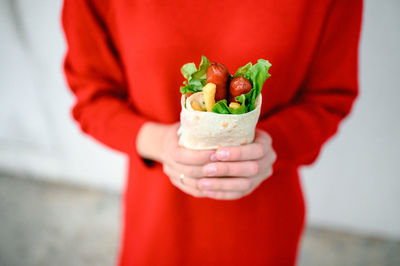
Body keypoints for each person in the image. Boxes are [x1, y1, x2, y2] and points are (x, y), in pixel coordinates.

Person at [62, 0, 362, 265]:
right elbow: (92, 99)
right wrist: (162, 144)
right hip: (157, 219)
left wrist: (269, 144)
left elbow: (329, 98)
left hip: (264, 218)